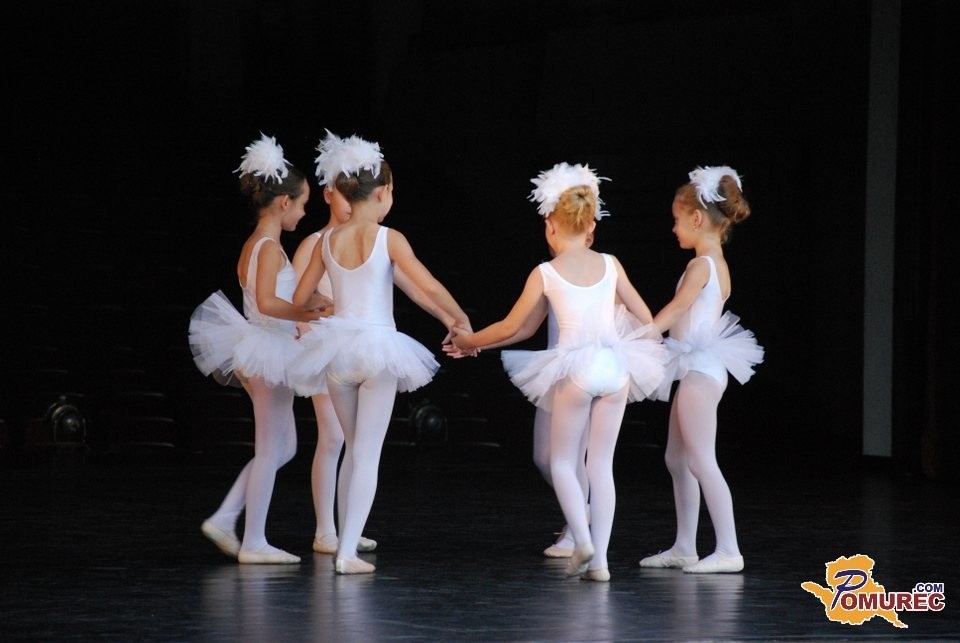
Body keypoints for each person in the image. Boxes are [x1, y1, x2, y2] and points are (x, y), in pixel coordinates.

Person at [451, 163, 665, 582]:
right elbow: (648, 321)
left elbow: (513, 327)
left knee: (563, 462)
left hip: (575, 369)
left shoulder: (545, 273)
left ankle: (581, 539)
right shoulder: (612, 265)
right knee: (600, 466)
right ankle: (600, 562)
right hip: (615, 367)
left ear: (550, 225)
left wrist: (469, 340)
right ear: (591, 226)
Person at [289, 132, 473, 574]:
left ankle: (343, 541)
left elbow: (299, 297)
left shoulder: (326, 241)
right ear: (383, 192)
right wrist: (461, 319)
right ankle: (347, 552)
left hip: (338, 353)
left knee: (354, 448)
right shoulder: (389, 237)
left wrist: (330, 307)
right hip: (377, 350)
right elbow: (427, 285)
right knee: (366, 453)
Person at [189, 133, 328, 564]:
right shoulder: (267, 248)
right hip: (268, 350)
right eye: (302, 204)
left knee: (283, 448)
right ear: (283, 202)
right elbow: (267, 303)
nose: (303, 212)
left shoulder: (259, 245)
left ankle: (226, 517)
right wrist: (306, 313)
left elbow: (271, 299)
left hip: (264, 346)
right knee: (270, 449)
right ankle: (252, 540)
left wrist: (314, 304)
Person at [639, 165, 764, 574]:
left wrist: (643, 333)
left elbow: (677, 309)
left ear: (696, 218)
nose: (673, 229)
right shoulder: (717, 263)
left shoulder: (701, 266)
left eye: (677, 220)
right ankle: (684, 546)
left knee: (701, 460)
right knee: (677, 459)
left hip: (702, 370)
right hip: (698, 367)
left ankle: (729, 549)